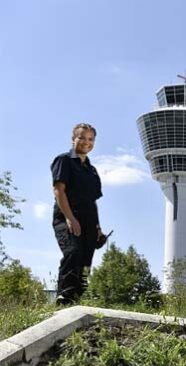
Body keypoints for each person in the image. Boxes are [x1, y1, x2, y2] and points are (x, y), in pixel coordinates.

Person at [51, 123, 105, 305]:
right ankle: (64, 298)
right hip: (67, 216)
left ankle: (78, 301)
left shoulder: (92, 170)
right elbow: (59, 190)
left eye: (90, 139)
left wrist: (97, 227)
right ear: (73, 139)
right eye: (82, 137)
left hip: (89, 220)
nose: (86, 142)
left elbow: (93, 201)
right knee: (73, 252)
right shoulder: (64, 160)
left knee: (85, 260)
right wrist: (69, 218)